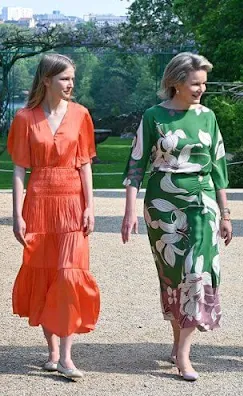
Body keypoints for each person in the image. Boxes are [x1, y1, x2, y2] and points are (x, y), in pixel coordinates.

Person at [120, 52, 232, 382]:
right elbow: (136, 165)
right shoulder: (154, 116)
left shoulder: (208, 117)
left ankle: (184, 355)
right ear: (176, 82)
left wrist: (225, 214)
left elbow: (219, 169)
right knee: (172, 276)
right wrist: (129, 212)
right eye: (195, 83)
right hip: (162, 204)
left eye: (203, 84)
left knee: (197, 272)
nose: (201, 89)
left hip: (202, 203)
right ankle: (176, 338)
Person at [8, 53, 100, 380]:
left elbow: (85, 163)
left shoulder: (80, 115)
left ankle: (66, 357)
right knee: (46, 275)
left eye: (72, 78)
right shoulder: (24, 118)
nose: (70, 84)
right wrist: (16, 213)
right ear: (46, 80)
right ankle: (51, 352)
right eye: (64, 78)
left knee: (69, 275)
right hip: (39, 202)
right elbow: (19, 168)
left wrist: (90, 206)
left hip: (72, 203)